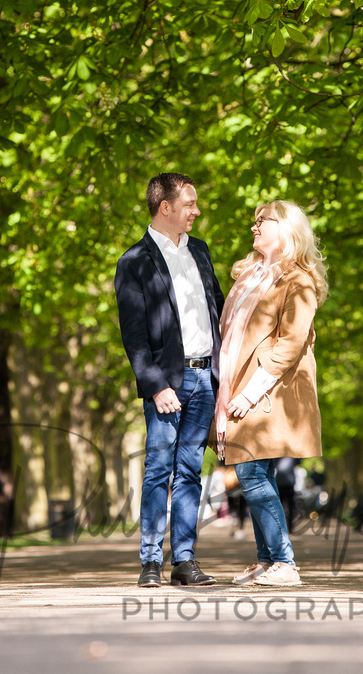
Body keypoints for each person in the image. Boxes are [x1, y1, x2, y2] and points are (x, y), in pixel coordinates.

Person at [115, 172, 224, 587]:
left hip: (204, 380)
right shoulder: (133, 262)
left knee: (192, 471)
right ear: (166, 208)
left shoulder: (200, 251)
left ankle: (184, 560)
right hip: (166, 383)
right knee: (159, 468)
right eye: (190, 204)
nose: (197, 211)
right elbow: (134, 335)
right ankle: (149, 561)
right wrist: (155, 385)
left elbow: (217, 310)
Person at [214, 199, 328, 587]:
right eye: (254, 221)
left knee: (250, 469)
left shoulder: (299, 280)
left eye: (263, 221)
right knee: (251, 470)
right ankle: (266, 560)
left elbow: (290, 343)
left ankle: (284, 561)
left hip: (269, 390)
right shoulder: (249, 275)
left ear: (287, 229)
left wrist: (249, 392)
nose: (254, 227)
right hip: (239, 385)